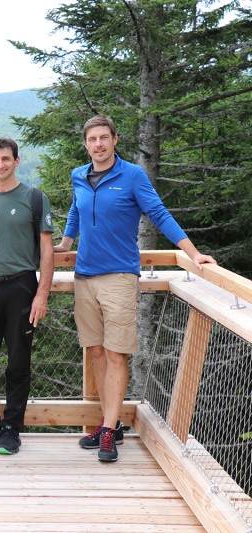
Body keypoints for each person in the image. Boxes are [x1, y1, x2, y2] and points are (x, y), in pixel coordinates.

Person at [54, 115, 216, 462]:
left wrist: (193, 253)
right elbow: (76, 213)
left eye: (103, 138)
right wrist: (64, 245)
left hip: (119, 277)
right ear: (86, 144)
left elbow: (158, 213)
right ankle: (106, 422)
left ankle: (111, 429)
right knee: (96, 351)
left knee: (116, 353)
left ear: (115, 139)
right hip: (85, 276)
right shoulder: (78, 176)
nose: (98, 144)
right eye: (92, 139)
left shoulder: (132, 176)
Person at [0, 137, 54, 456]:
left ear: (17, 161)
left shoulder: (34, 198)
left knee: (18, 362)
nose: (0, 165)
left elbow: (46, 251)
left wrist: (42, 294)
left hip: (22, 286)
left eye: (6, 159)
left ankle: (11, 429)